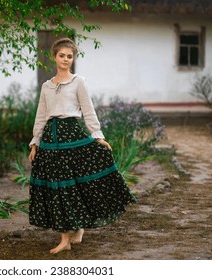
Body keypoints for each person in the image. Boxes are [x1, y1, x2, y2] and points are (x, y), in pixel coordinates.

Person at [28, 38, 136, 254]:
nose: (66, 59)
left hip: (73, 136)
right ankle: (65, 237)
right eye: (62, 55)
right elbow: (40, 116)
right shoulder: (46, 86)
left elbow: (88, 110)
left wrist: (97, 136)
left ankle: (76, 229)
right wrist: (35, 143)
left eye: (70, 56)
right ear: (54, 57)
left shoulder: (78, 82)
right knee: (58, 187)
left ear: (73, 59)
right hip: (51, 140)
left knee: (76, 184)